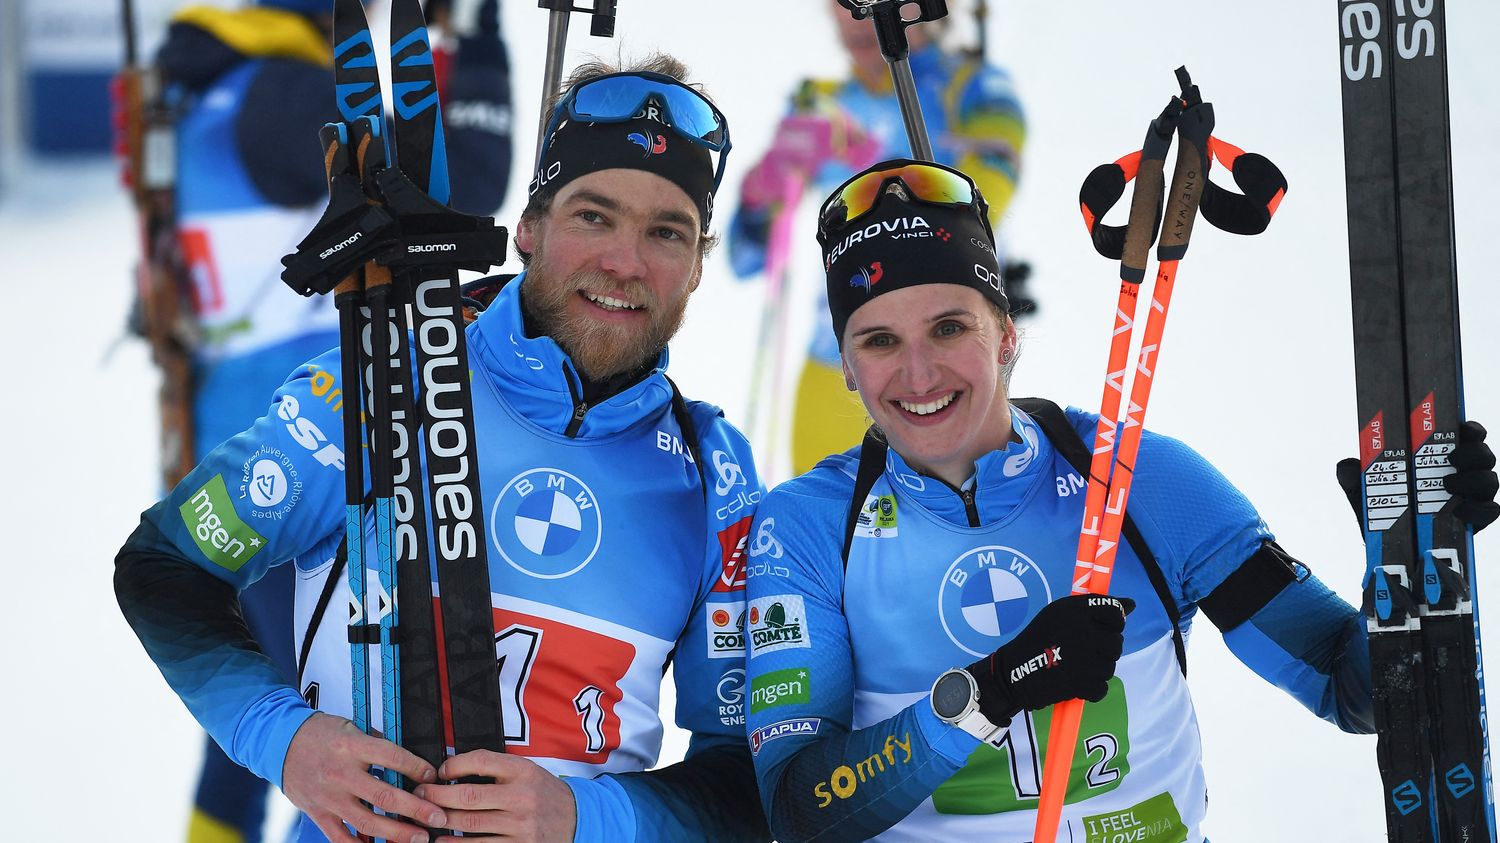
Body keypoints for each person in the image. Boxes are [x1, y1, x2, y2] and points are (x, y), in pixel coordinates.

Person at [740, 159, 1500, 841]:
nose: (918, 373)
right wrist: (990, 691)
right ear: (844, 363)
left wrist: (1407, 555)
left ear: (1006, 332)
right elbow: (801, 812)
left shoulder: (1139, 478)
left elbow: (1351, 688)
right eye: (878, 340)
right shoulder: (811, 526)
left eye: (949, 326)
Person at [116, 55, 770, 843]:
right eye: (593, 216)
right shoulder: (381, 383)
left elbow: (744, 775)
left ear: (699, 264)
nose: (625, 263)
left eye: (666, 232)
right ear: (529, 227)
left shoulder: (714, 473)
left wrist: (582, 815)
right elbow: (163, 564)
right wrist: (283, 739)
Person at [133, 1, 514, 841]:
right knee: (335, 739)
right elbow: (460, 197)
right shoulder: (281, 92)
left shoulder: (218, 86)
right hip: (321, 458)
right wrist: (482, 57)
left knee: (256, 716)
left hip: (271, 437)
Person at [727, 0, 1026, 477]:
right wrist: (768, 184)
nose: (855, 16)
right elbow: (746, 256)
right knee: (827, 531)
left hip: (948, 356)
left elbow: (984, 203)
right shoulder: (820, 103)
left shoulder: (977, 88)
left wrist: (873, 154)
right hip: (838, 366)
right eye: (842, 2)